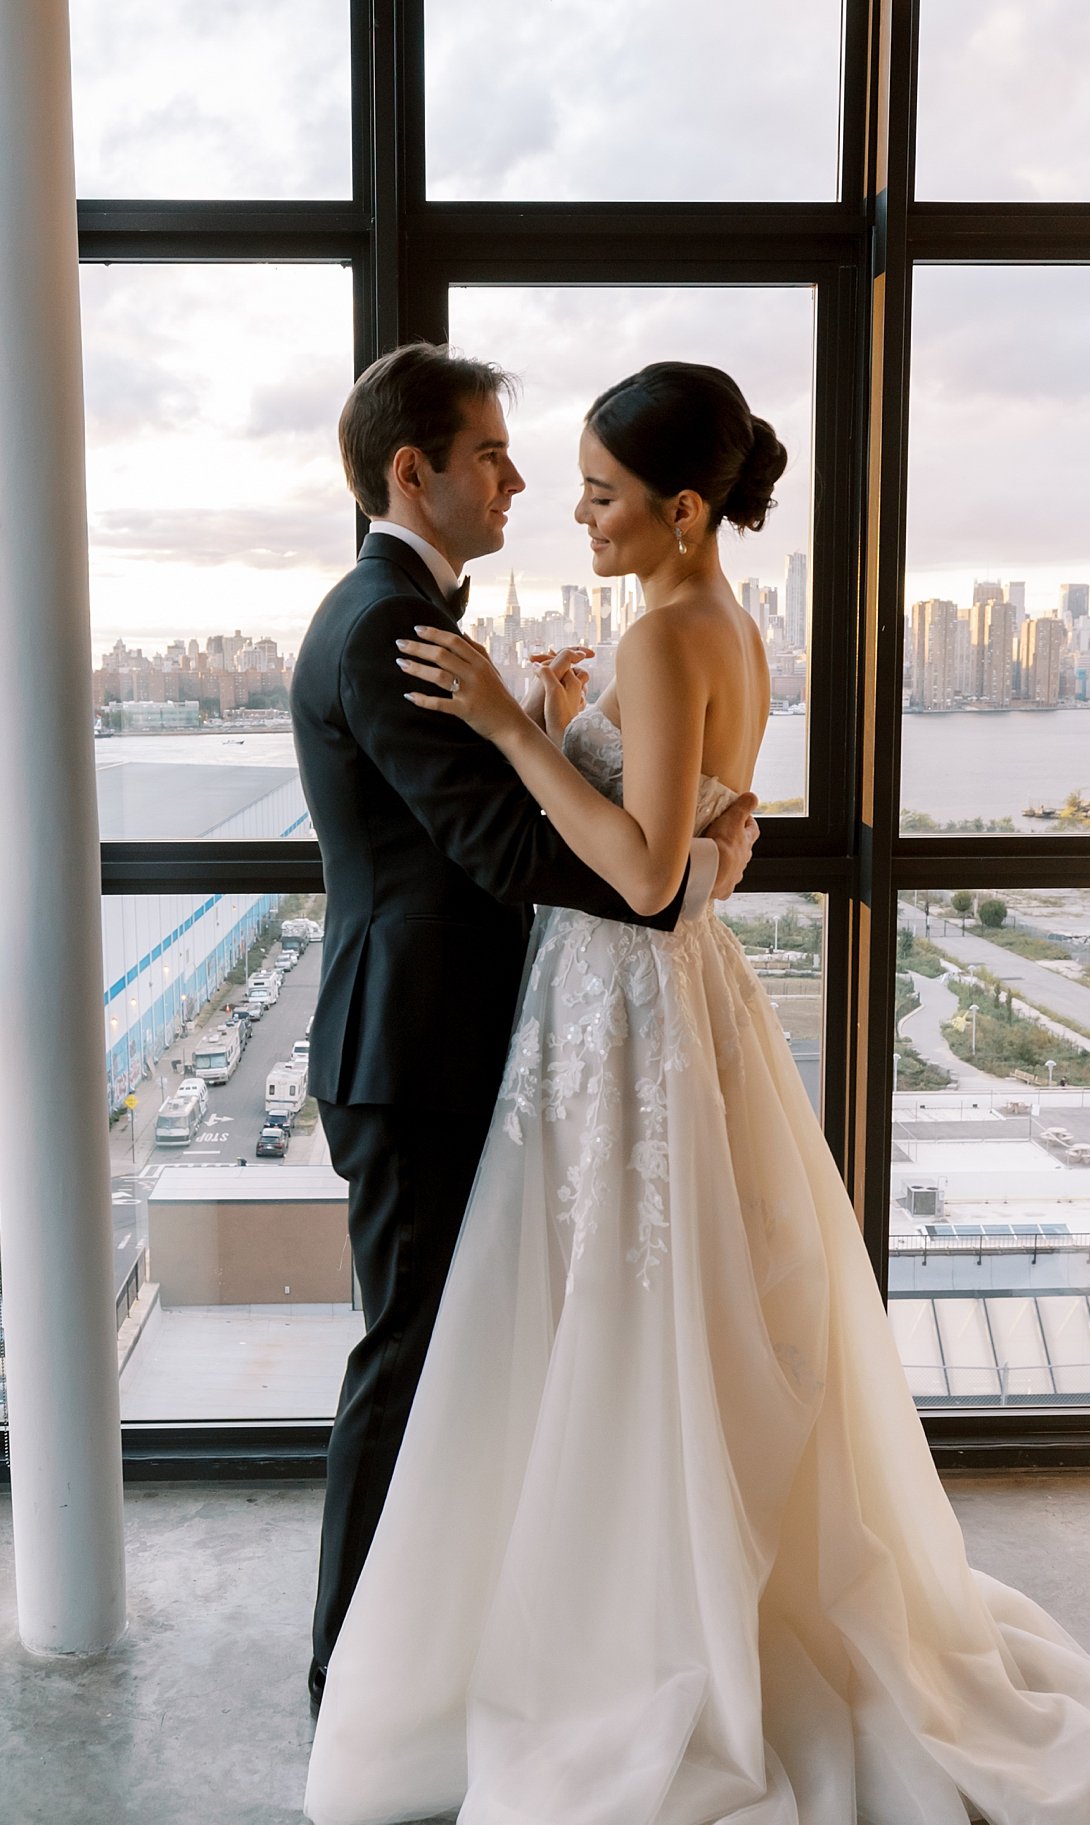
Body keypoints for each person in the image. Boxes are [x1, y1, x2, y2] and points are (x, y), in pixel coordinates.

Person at [304, 361, 1090, 1825]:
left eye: (597, 489)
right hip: (655, 1013)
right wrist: (656, 800)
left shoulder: (654, 632)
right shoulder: (725, 621)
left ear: (684, 509)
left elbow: (638, 871)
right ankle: (558, 1613)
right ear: (415, 471)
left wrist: (517, 720)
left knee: (616, 1333)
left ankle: (592, 1635)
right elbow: (712, 824)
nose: (564, 504)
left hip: (623, 1010)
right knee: (659, 1328)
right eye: (528, 469)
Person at [290, 345, 759, 1723]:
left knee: (480, 1354)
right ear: (410, 472)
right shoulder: (386, 623)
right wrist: (679, 873)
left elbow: (523, 815)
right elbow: (497, 846)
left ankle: (466, 1639)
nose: (521, 477)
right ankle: (355, 1678)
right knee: (413, 1357)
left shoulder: (423, 609)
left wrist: (555, 734)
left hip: (473, 1040)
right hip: (412, 1054)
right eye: (492, 452)